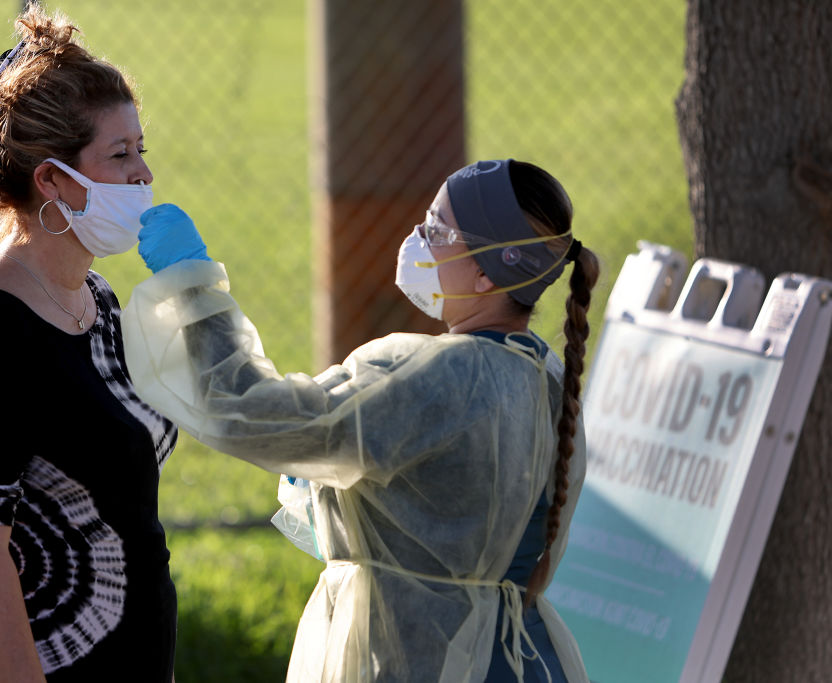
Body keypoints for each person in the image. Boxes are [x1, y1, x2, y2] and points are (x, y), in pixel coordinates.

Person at [122, 158, 598, 682]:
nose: (419, 238)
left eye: (439, 230)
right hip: (524, 658)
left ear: (487, 271)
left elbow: (252, 413)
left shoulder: (438, 376)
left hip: (424, 660)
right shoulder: (551, 377)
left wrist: (190, 284)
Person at [0, 7, 178, 682]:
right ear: (53, 180)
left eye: (141, 151)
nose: (142, 177)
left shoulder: (101, 304)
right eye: (119, 156)